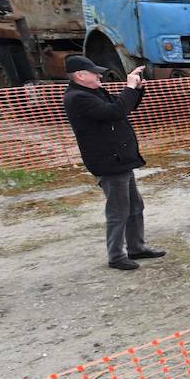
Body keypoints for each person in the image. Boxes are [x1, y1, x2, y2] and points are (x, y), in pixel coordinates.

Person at [62, 55, 167, 270]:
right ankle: (116, 256)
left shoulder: (92, 92)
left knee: (135, 206)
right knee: (118, 211)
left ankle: (136, 247)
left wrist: (136, 90)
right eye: (94, 72)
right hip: (107, 162)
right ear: (80, 76)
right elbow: (115, 112)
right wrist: (129, 87)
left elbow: (122, 108)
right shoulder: (78, 97)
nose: (100, 75)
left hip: (119, 159)